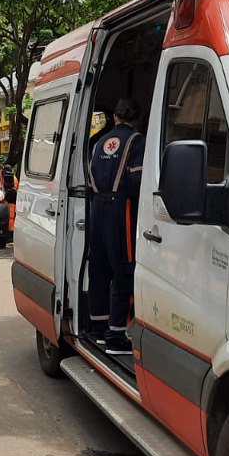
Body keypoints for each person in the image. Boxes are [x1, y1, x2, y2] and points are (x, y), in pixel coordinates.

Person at [86, 98, 145, 355]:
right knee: (123, 269)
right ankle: (117, 337)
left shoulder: (99, 141)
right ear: (136, 118)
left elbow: (90, 176)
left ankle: (98, 330)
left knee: (99, 268)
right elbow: (136, 181)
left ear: (115, 117)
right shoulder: (137, 141)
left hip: (97, 206)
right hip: (122, 209)